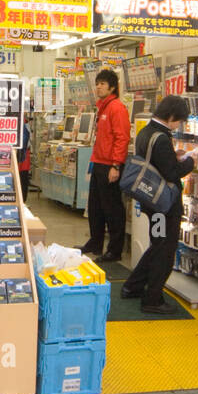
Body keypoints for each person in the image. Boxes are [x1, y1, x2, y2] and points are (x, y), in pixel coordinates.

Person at [122, 94, 198, 315]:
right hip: (164, 205)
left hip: (151, 202)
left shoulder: (145, 132)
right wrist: (190, 162)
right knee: (164, 251)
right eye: (180, 120)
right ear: (172, 116)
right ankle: (153, 299)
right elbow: (171, 173)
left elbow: (154, 162)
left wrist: (173, 157)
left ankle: (133, 286)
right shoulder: (162, 138)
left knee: (157, 245)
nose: (179, 125)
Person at [78, 69, 130, 262]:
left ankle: (114, 250)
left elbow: (122, 138)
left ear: (113, 87)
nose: (98, 86)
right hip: (98, 163)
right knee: (95, 207)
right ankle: (95, 242)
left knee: (112, 209)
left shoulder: (116, 108)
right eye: (97, 83)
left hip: (110, 166)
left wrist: (116, 165)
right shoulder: (103, 107)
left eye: (102, 84)